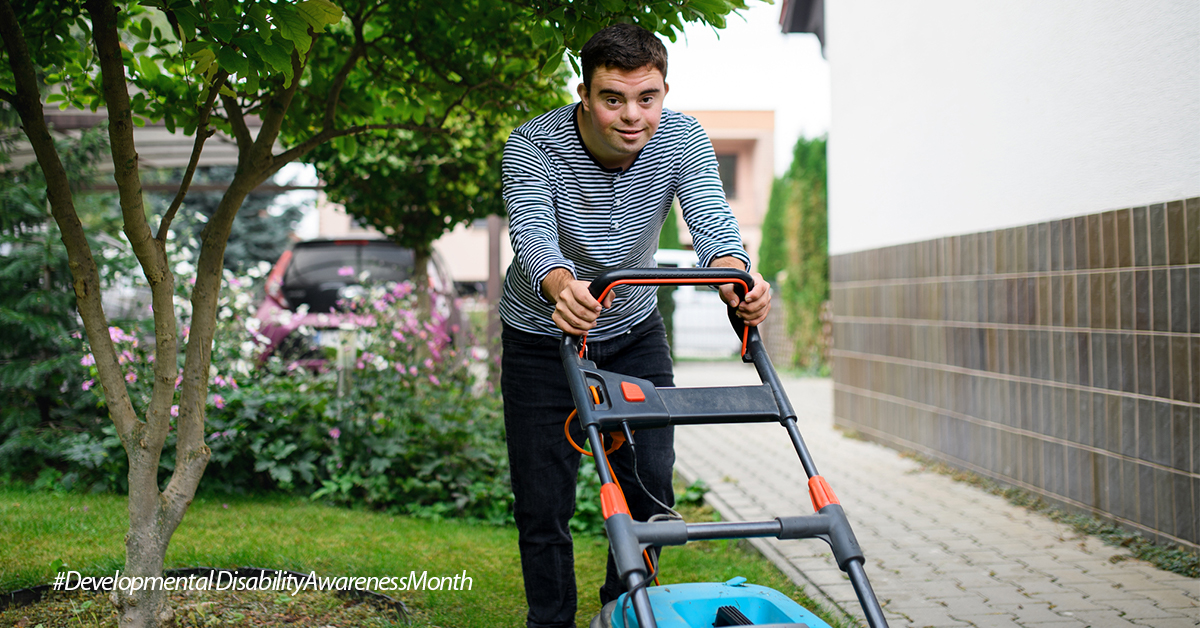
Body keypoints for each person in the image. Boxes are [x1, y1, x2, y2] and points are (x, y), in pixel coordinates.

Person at [498, 23, 771, 628]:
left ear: (664, 91)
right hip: (541, 335)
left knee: (651, 482)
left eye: (646, 98)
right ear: (585, 94)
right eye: (612, 99)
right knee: (543, 500)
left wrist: (738, 278)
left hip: (633, 328)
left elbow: (712, 223)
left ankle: (625, 612)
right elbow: (533, 234)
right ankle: (550, 620)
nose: (631, 116)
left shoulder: (683, 138)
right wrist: (561, 287)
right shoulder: (533, 143)